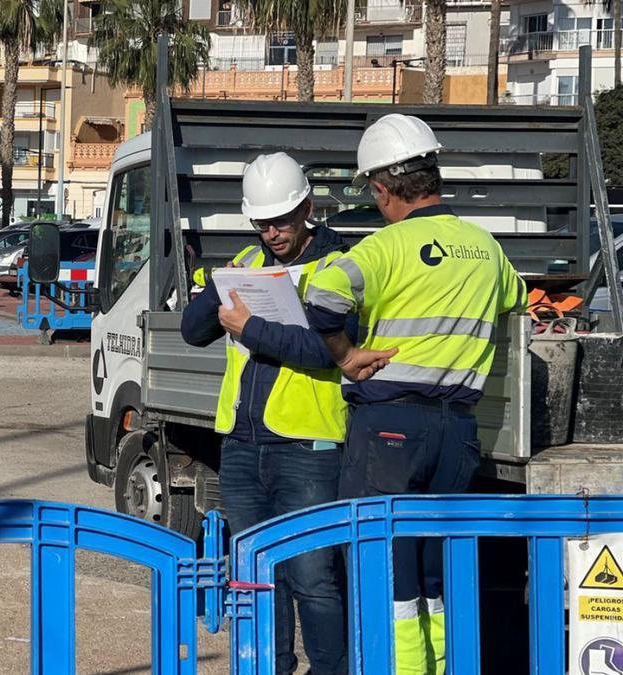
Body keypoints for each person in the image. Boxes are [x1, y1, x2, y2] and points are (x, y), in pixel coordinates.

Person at [304, 114, 526, 675]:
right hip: (457, 432)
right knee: (434, 572)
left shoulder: (385, 247)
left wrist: (346, 355)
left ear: (381, 189)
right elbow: (515, 298)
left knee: (384, 572)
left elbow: (324, 299)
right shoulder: (485, 247)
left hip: (390, 429)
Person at [181, 152, 351, 675]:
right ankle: (268, 667)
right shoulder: (247, 265)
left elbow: (327, 352)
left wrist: (250, 327)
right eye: (262, 222)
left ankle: (331, 669)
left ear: (307, 208)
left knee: (313, 577)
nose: (272, 232)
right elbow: (192, 331)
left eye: (281, 220)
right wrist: (217, 291)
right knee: (256, 573)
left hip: (309, 448)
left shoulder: (338, 267)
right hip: (242, 446)